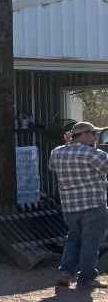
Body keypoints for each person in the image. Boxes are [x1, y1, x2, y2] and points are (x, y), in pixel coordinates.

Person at [48, 121, 108, 288]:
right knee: (91, 242)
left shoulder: (57, 152)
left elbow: (52, 166)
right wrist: (95, 148)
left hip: (69, 207)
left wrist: (67, 144)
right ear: (84, 135)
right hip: (94, 205)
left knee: (73, 238)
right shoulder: (93, 154)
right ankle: (86, 277)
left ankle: (66, 273)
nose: (96, 137)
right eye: (93, 133)